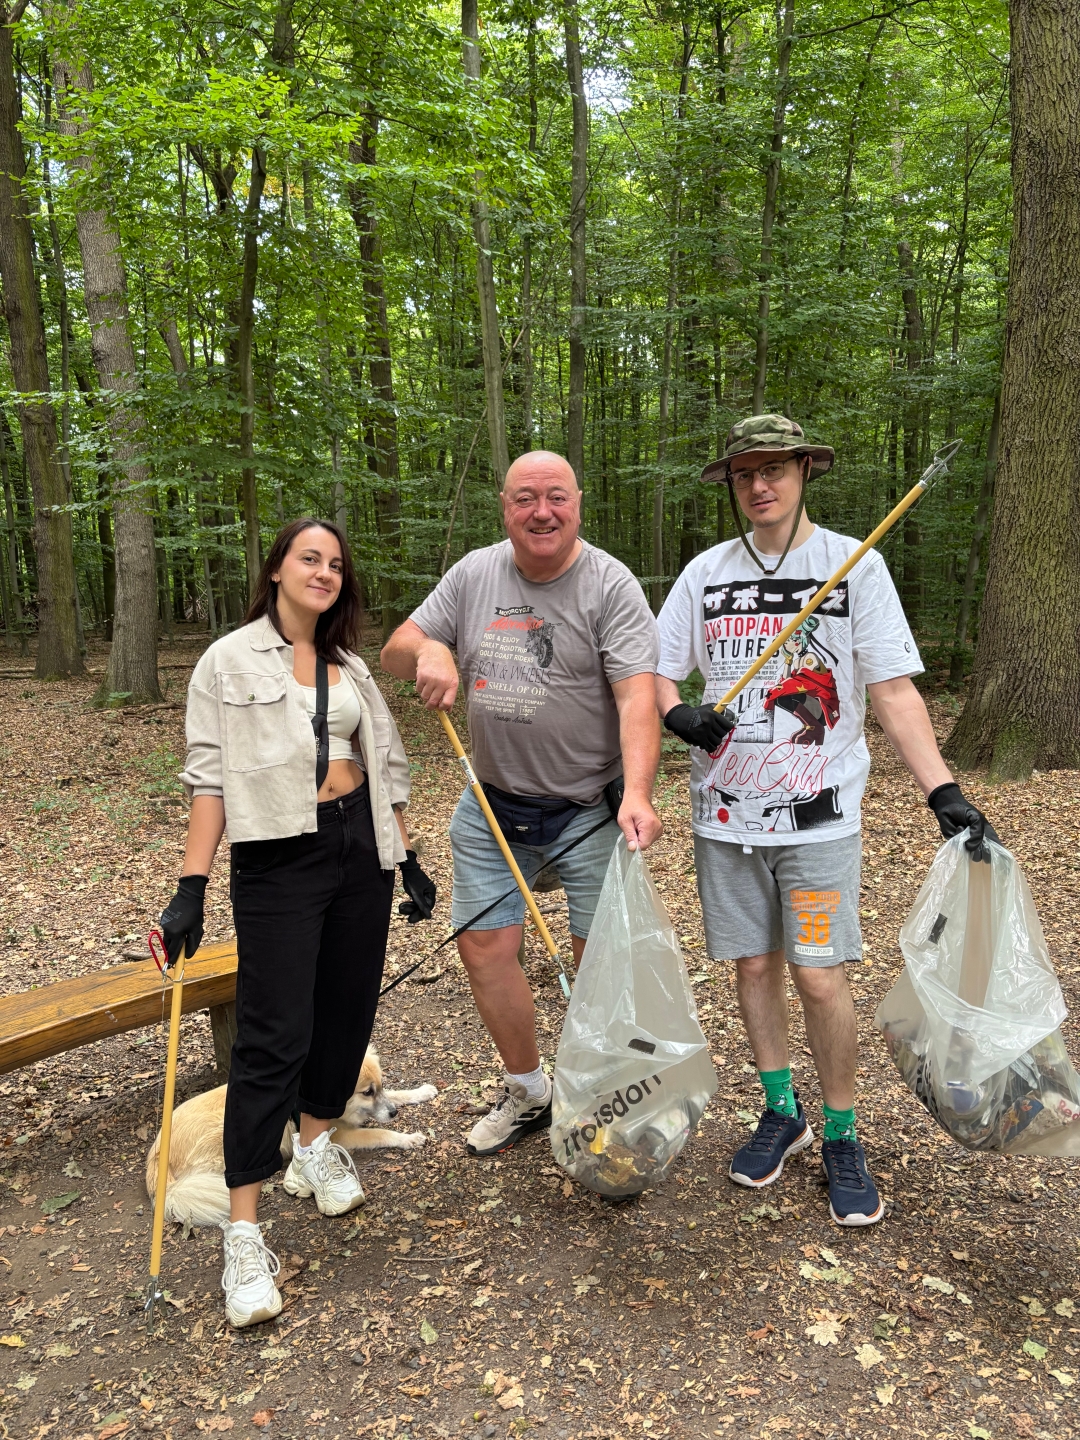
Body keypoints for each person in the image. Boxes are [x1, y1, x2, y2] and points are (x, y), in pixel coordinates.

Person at [655, 414, 997, 1227]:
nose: (760, 484)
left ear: (806, 471)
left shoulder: (854, 565)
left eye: (776, 468)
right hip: (726, 819)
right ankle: (784, 1111)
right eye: (745, 473)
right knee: (750, 970)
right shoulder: (704, 574)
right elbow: (658, 674)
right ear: (732, 484)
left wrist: (941, 789)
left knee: (818, 975)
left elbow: (892, 691)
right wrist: (679, 715)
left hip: (819, 820)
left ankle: (842, 1129)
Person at [160, 518, 437, 1327]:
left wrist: (406, 856)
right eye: (309, 559)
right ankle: (243, 1238)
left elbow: (384, 765)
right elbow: (209, 779)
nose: (324, 572)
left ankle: (313, 1148)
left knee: (346, 1017)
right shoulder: (226, 660)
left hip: (361, 849)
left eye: (336, 564)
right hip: (278, 857)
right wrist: (190, 887)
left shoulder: (351, 665)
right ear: (277, 567)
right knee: (272, 1036)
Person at [381, 450, 662, 1157]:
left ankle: (602, 1094)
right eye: (526, 498)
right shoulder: (475, 573)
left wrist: (637, 792)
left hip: (588, 809)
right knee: (484, 951)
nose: (542, 511)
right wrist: (431, 651)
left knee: (597, 963)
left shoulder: (610, 585)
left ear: (579, 504)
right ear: (504, 507)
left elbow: (637, 697)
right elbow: (395, 648)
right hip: (492, 803)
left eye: (557, 497)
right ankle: (529, 1090)